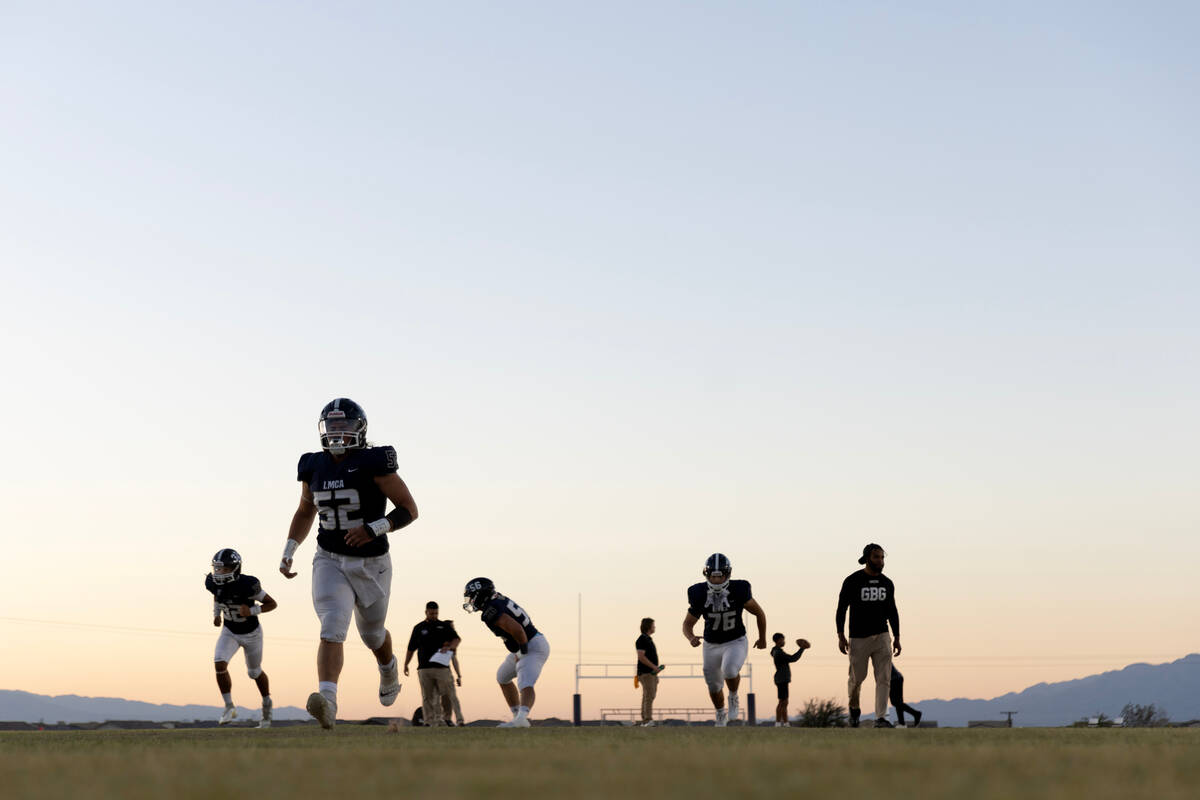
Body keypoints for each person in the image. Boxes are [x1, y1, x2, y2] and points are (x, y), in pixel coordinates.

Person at [279, 398, 419, 730]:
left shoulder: (374, 460)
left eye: (344, 426)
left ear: (360, 429)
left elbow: (408, 509)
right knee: (332, 625)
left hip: (372, 562)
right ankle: (327, 701)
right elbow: (305, 511)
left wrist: (374, 528)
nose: (337, 432)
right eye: (332, 426)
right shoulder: (313, 465)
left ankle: (387, 667)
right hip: (329, 557)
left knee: (372, 633)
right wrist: (289, 549)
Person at [682, 553, 768, 727]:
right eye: (712, 576)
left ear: (727, 574)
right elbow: (687, 624)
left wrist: (762, 638)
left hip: (735, 640)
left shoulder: (739, 589)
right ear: (706, 575)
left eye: (719, 575)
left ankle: (733, 696)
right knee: (713, 686)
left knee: (729, 670)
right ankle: (720, 713)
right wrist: (691, 638)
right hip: (710, 644)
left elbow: (759, 613)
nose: (715, 580)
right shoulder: (698, 593)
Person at [463, 577, 550, 728]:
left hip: (531, 645)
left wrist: (522, 652)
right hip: (524, 644)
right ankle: (517, 716)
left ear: (480, 595)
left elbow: (518, 630)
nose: (470, 601)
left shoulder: (492, 610)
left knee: (525, 681)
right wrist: (519, 651)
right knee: (502, 676)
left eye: (471, 597)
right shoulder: (497, 600)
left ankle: (522, 718)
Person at [205, 549, 277, 728]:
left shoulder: (247, 584)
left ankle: (267, 704)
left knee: (254, 672)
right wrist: (216, 614)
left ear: (235, 568)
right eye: (217, 569)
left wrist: (252, 611)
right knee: (219, 663)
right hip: (229, 631)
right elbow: (217, 595)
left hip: (252, 634)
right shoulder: (213, 582)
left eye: (223, 569)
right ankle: (229, 706)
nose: (218, 573)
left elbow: (272, 603)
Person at [836, 543, 901, 728]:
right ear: (867, 559)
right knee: (857, 678)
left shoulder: (887, 583)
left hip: (882, 636)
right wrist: (840, 635)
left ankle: (881, 717)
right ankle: (854, 709)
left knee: (884, 678)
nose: (880, 561)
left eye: (882, 557)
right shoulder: (852, 581)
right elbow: (841, 609)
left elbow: (892, 610)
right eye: (876, 557)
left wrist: (897, 636)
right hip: (858, 637)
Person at [404, 601, 461, 727]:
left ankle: (447, 718)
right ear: (426, 612)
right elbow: (411, 648)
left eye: (436, 613)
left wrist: (451, 648)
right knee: (428, 696)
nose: (434, 615)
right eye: (431, 613)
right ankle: (429, 721)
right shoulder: (418, 628)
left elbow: (456, 640)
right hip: (424, 668)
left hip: (442, 668)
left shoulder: (444, 627)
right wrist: (406, 664)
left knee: (446, 694)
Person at [769, 633, 810, 726]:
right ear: (778, 640)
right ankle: (778, 723)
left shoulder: (775, 651)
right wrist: (802, 648)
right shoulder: (778, 652)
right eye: (783, 639)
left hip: (781, 678)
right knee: (782, 702)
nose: (784, 641)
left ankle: (786, 723)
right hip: (782, 678)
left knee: (784, 702)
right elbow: (793, 658)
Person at [635, 618, 666, 726]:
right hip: (646, 673)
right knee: (649, 696)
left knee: (649, 696)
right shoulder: (642, 640)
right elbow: (641, 657)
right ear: (648, 626)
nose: (655, 627)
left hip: (651, 674)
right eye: (653, 625)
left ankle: (645, 719)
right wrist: (654, 667)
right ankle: (647, 720)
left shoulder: (648, 639)